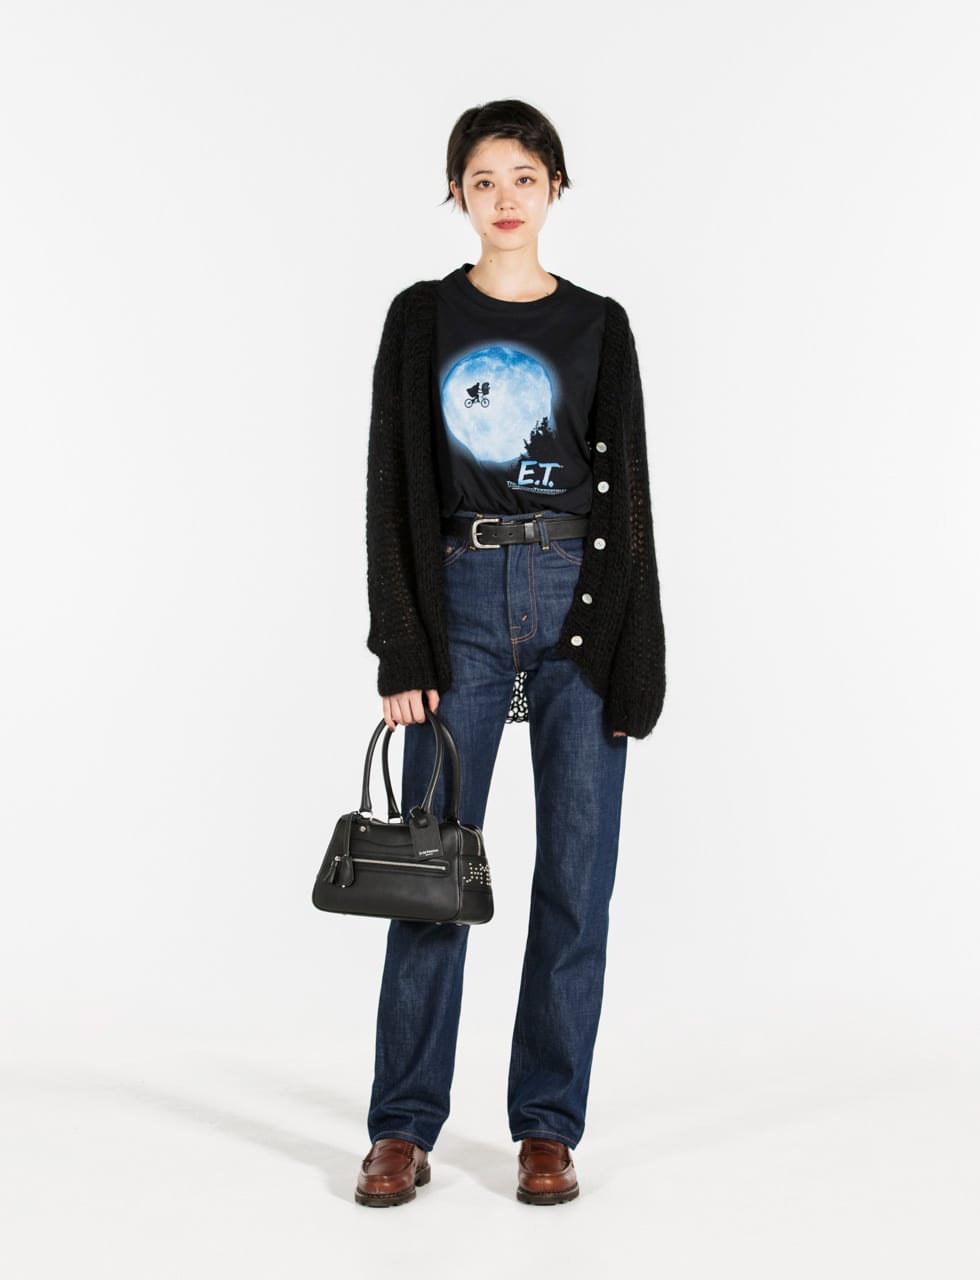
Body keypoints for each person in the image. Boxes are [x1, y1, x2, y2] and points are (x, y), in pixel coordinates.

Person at [355, 99, 666, 1207]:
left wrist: (637, 657)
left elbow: (630, 501)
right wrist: (402, 645)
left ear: (554, 189)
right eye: (482, 179)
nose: (504, 198)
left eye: (524, 177)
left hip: (582, 604)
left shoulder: (600, 325)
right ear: (456, 192)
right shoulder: (421, 317)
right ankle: (402, 1126)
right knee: (431, 876)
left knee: (577, 880)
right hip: (462, 603)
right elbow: (389, 485)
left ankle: (545, 1125)